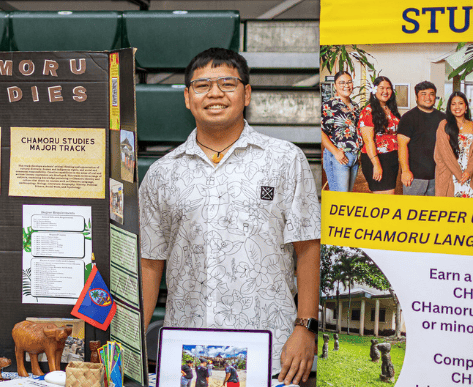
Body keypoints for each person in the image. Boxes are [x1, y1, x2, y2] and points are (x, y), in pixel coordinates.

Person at [140, 48, 320, 385]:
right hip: (188, 354)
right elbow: (150, 263)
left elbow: (308, 247)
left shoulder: (285, 160)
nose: (215, 93)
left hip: (272, 349)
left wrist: (306, 327)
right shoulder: (163, 173)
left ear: (247, 93)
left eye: (227, 83)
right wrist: (130, 344)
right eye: (202, 85)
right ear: (187, 98)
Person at [397, 81, 446, 196]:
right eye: (423, 94)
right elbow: (402, 145)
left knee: (435, 212)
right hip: (414, 177)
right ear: (416, 97)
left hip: (437, 176)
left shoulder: (443, 118)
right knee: (411, 211)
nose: (428, 97)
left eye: (431, 94)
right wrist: (405, 171)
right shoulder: (408, 118)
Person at [358, 76, 401, 194]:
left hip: (391, 158)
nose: (385, 91)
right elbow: (368, 141)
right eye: (381, 88)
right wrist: (376, 165)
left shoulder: (391, 109)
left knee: (390, 196)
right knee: (382, 199)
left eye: (388, 88)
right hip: (376, 159)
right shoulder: (368, 111)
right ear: (374, 90)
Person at [322, 70, 362, 192]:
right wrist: (336, 152)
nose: (346, 85)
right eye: (342, 83)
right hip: (339, 157)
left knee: (346, 199)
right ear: (335, 85)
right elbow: (321, 132)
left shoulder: (355, 106)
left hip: (353, 158)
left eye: (349, 82)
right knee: (339, 200)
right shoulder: (329, 106)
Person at [434, 91, 473, 197]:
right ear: (449, 107)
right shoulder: (444, 125)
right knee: (450, 210)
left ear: (466, 106)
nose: (457, 107)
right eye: (453, 104)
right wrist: (459, 174)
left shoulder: (472, 125)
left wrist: (469, 171)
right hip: (450, 174)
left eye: (460, 103)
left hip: (469, 175)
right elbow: (444, 153)